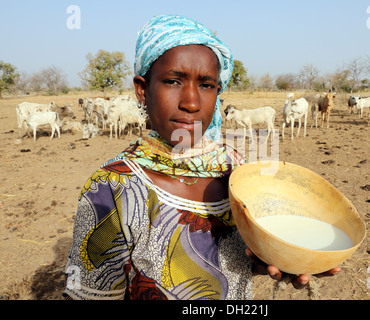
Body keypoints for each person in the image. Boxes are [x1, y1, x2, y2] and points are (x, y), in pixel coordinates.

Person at [63, 14, 339, 300]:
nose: (192, 102)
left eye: (207, 85)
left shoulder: (238, 171)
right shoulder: (112, 187)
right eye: (172, 81)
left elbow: (240, 264)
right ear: (142, 90)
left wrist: (281, 259)